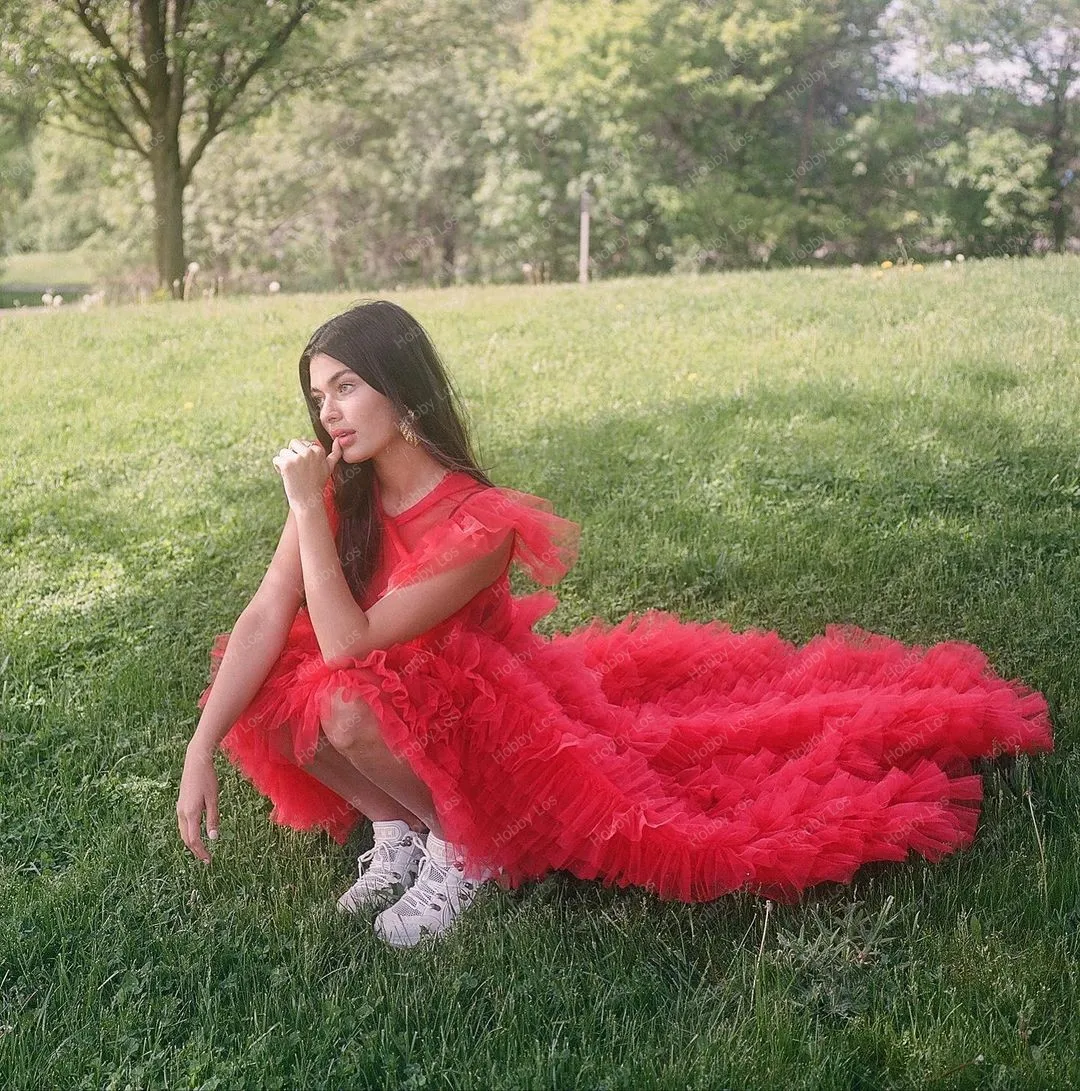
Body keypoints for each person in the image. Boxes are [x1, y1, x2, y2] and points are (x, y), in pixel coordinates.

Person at [178, 299, 1054, 949]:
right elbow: (265, 616)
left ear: (402, 393)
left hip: (483, 724)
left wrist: (306, 508)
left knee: (339, 695)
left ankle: (463, 849)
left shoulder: (480, 521)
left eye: (346, 386)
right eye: (316, 395)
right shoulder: (344, 490)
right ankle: (398, 829)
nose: (327, 412)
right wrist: (201, 745)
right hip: (393, 700)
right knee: (269, 684)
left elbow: (350, 642)